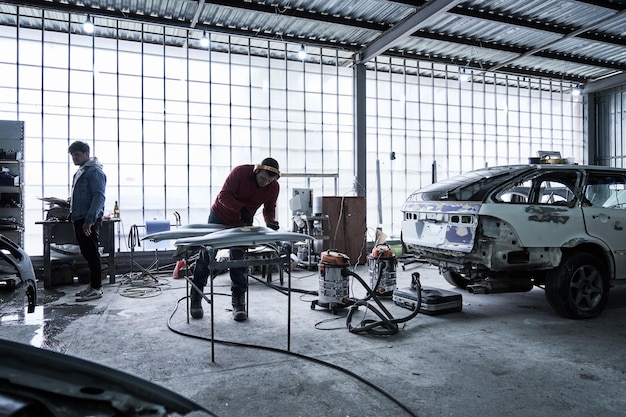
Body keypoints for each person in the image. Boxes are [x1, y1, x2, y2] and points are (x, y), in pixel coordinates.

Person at [191, 157, 281, 321]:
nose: (265, 183)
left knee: (238, 260)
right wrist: (241, 209)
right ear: (256, 171)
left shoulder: (274, 187)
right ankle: (196, 296)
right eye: (262, 178)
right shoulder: (240, 172)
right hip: (220, 216)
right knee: (207, 255)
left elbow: (269, 208)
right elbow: (223, 196)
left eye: (269, 180)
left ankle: (239, 303)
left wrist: (270, 223)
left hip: (242, 222)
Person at [68, 141, 107, 302]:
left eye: (77, 154)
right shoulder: (81, 171)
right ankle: (93, 286)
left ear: (86, 154)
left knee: (91, 252)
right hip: (79, 217)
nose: (74, 158)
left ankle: (97, 288)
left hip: (88, 218)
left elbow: (99, 197)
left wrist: (90, 220)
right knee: (87, 252)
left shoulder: (95, 172)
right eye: (72, 155)